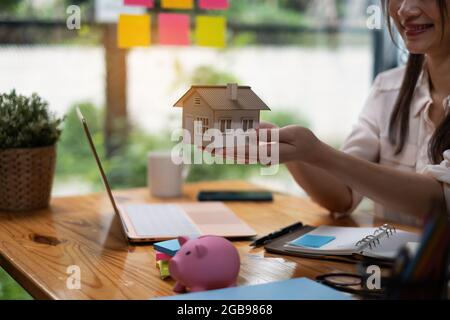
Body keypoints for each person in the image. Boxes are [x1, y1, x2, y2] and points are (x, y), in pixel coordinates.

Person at [221, 0, 450, 227]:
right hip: (389, 264)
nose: (404, 9)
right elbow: (343, 196)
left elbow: (439, 200)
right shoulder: (387, 88)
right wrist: (293, 153)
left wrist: (319, 153)